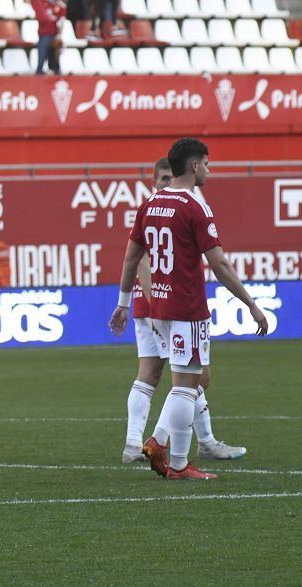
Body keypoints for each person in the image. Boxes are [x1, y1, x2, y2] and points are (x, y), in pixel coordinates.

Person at [109, 138, 268, 480]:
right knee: (186, 385)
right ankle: (160, 443)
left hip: (159, 308)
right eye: (207, 164)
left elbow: (131, 257)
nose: (209, 170)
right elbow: (220, 265)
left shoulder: (150, 204)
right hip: (187, 306)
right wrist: (251, 304)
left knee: (183, 382)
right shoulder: (195, 206)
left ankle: (178, 462)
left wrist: (123, 303)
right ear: (194, 166)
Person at [31, 0, 65, 75]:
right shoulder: (42, 3)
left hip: (55, 35)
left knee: (55, 56)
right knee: (42, 57)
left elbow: (61, 21)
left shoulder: (61, 6)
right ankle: (39, 71)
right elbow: (42, 18)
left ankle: (56, 73)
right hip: (44, 34)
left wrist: (59, 35)